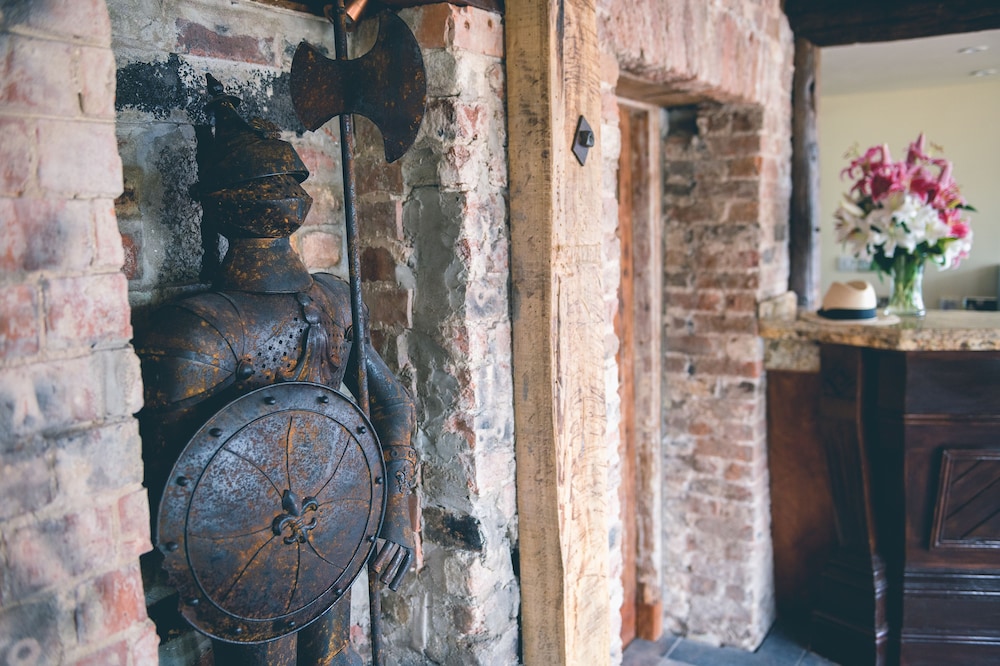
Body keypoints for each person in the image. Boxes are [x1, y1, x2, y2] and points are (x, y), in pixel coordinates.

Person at [135, 76, 415, 665]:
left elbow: (390, 404)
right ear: (222, 202)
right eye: (266, 182)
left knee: (334, 657)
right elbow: (177, 490)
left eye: (288, 179)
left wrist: (394, 513)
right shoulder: (196, 331)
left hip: (334, 523)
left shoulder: (335, 300)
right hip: (248, 556)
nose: (281, 191)